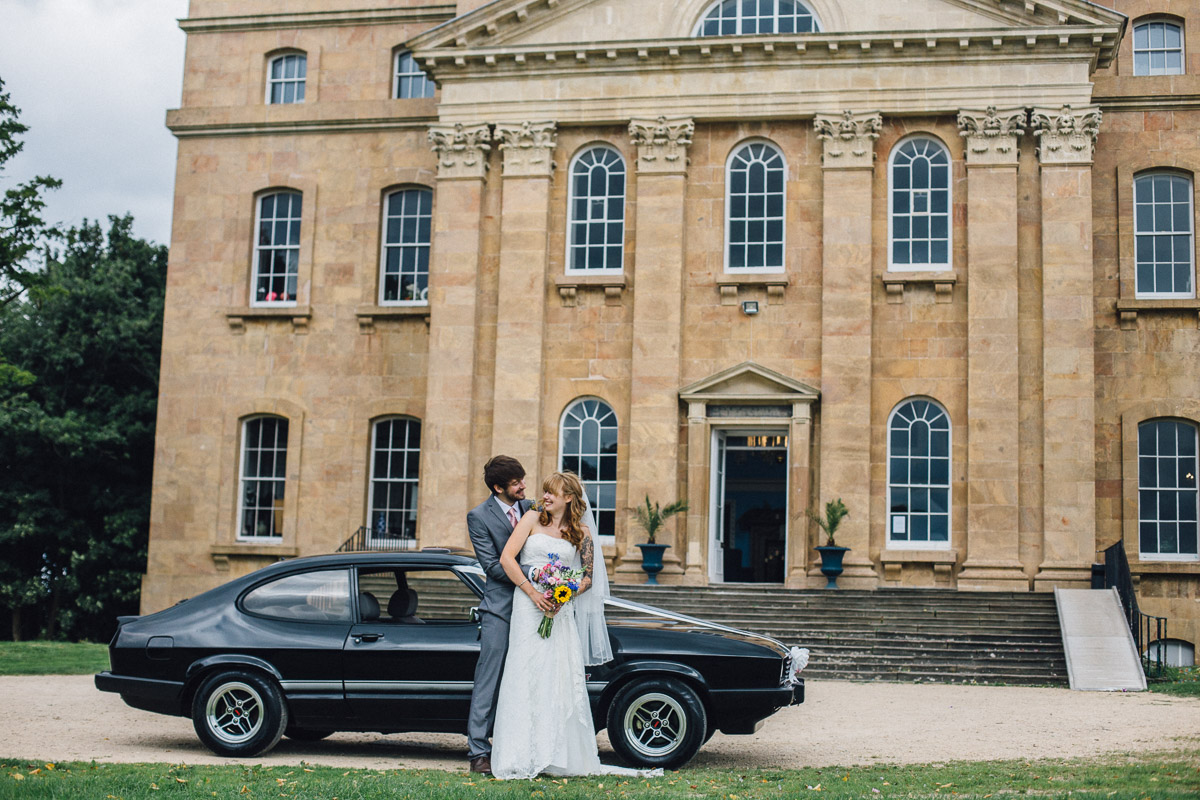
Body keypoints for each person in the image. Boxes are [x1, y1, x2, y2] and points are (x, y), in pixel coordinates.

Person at [489, 471, 655, 780]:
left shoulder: (581, 533)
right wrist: (533, 592)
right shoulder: (530, 520)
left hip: (559, 611)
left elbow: (588, 579)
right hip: (528, 607)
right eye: (545, 491)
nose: (546, 497)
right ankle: (518, 755)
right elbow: (507, 559)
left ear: (569, 498)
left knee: (557, 677)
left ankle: (557, 755)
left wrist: (564, 594)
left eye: (553, 492)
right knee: (525, 673)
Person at [465, 455, 541, 775]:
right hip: (500, 609)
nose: (523, 486)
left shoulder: (533, 508)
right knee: (489, 680)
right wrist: (535, 572)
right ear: (499, 488)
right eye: (515, 483)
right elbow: (494, 567)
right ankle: (478, 752)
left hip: (535, 607)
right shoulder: (479, 517)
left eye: (523, 479)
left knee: (531, 679)